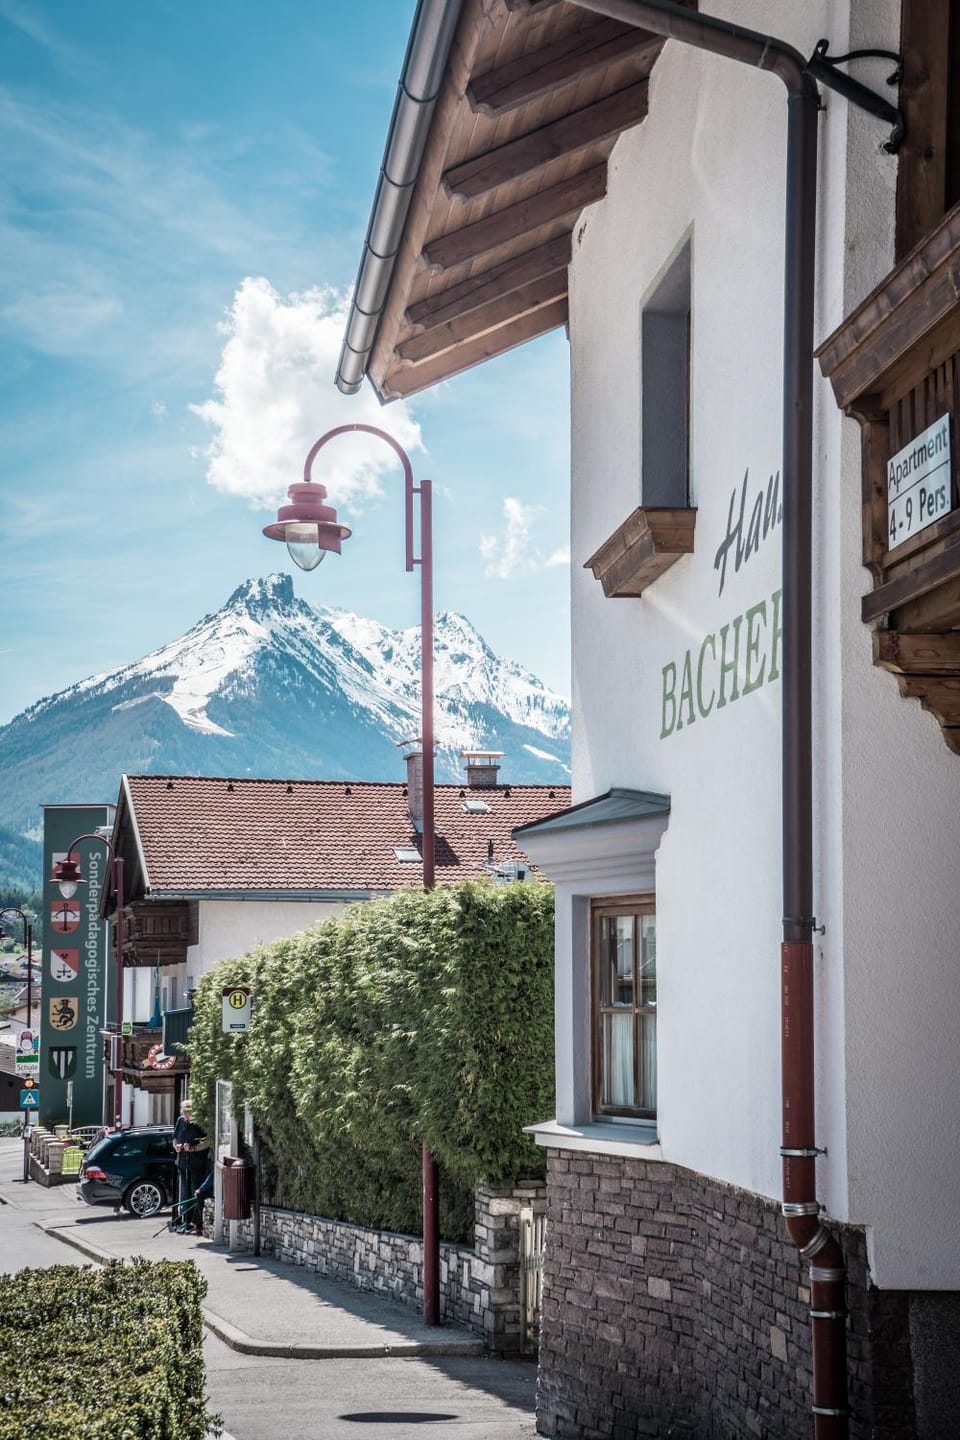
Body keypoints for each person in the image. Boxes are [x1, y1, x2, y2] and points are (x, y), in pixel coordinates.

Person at [172, 1100, 207, 1226]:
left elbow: (207, 1142)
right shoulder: (180, 1121)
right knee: (185, 1192)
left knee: (195, 1191)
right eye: (184, 1113)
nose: (186, 1116)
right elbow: (175, 1138)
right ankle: (186, 1221)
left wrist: (192, 1148)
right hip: (183, 1162)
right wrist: (176, 1146)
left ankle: (196, 1222)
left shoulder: (200, 1123)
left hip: (197, 1163)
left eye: (188, 1113)